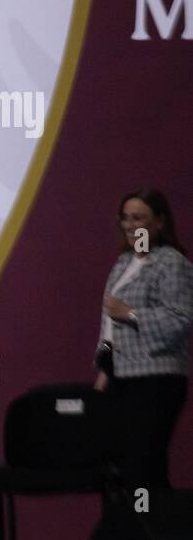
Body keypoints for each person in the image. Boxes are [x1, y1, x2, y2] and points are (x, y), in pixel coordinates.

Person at [92, 188, 192, 490]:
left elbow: (181, 319)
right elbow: (110, 323)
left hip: (155, 379)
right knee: (121, 464)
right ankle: (129, 532)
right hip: (119, 377)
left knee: (144, 464)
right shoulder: (124, 263)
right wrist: (104, 368)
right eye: (126, 218)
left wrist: (132, 313)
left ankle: (153, 530)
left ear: (159, 223)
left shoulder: (171, 263)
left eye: (139, 218)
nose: (130, 225)